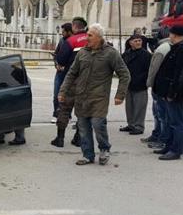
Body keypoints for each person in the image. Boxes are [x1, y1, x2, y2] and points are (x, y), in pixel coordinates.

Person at [58, 23, 130, 166]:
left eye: (90, 35)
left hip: (99, 98)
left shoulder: (111, 53)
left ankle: (104, 149)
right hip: (81, 97)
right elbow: (71, 74)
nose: (87, 38)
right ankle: (88, 155)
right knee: (83, 128)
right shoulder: (82, 52)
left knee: (98, 125)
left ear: (99, 37)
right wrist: (63, 91)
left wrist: (120, 95)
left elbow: (124, 74)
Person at [151, 25, 183, 161]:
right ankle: (169, 146)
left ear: (175, 35)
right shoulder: (177, 48)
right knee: (170, 120)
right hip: (168, 91)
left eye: (170, 34)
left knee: (177, 122)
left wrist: (173, 92)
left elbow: (181, 74)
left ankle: (176, 150)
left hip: (176, 93)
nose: (169, 37)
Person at [50, 17, 87, 148]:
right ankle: (78, 138)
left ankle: (60, 139)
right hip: (87, 81)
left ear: (74, 27)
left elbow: (60, 59)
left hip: (71, 80)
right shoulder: (93, 40)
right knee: (82, 111)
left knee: (65, 109)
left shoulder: (71, 41)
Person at [142, 33, 172, 147]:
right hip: (164, 86)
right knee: (161, 113)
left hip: (158, 86)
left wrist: (149, 83)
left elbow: (154, 68)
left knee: (160, 114)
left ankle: (161, 138)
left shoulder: (161, 49)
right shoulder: (171, 47)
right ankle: (158, 135)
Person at [120, 34, 152, 135]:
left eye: (139, 41)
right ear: (130, 42)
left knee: (139, 106)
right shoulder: (126, 54)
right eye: (136, 41)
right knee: (129, 106)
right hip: (129, 84)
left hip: (140, 84)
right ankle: (131, 124)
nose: (138, 43)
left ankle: (139, 126)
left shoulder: (146, 55)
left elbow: (149, 70)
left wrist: (144, 80)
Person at [52, 23, 73, 123]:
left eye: (64, 31)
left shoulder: (73, 42)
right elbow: (56, 54)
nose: (62, 33)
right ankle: (56, 114)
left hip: (70, 73)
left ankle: (67, 114)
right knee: (57, 93)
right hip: (60, 73)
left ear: (69, 32)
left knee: (68, 95)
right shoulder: (61, 41)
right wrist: (56, 64)